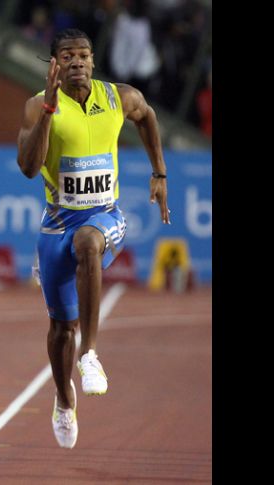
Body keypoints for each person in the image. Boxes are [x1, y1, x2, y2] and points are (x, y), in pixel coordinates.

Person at [17, 28, 169, 449]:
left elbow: (149, 116)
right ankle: (64, 399)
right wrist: (49, 108)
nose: (78, 62)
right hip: (55, 222)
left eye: (84, 55)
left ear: (94, 61)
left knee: (88, 242)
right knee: (60, 327)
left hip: (105, 215)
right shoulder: (37, 106)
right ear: (54, 65)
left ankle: (91, 355)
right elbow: (28, 168)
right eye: (68, 56)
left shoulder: (118, 97)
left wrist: (159, 172)